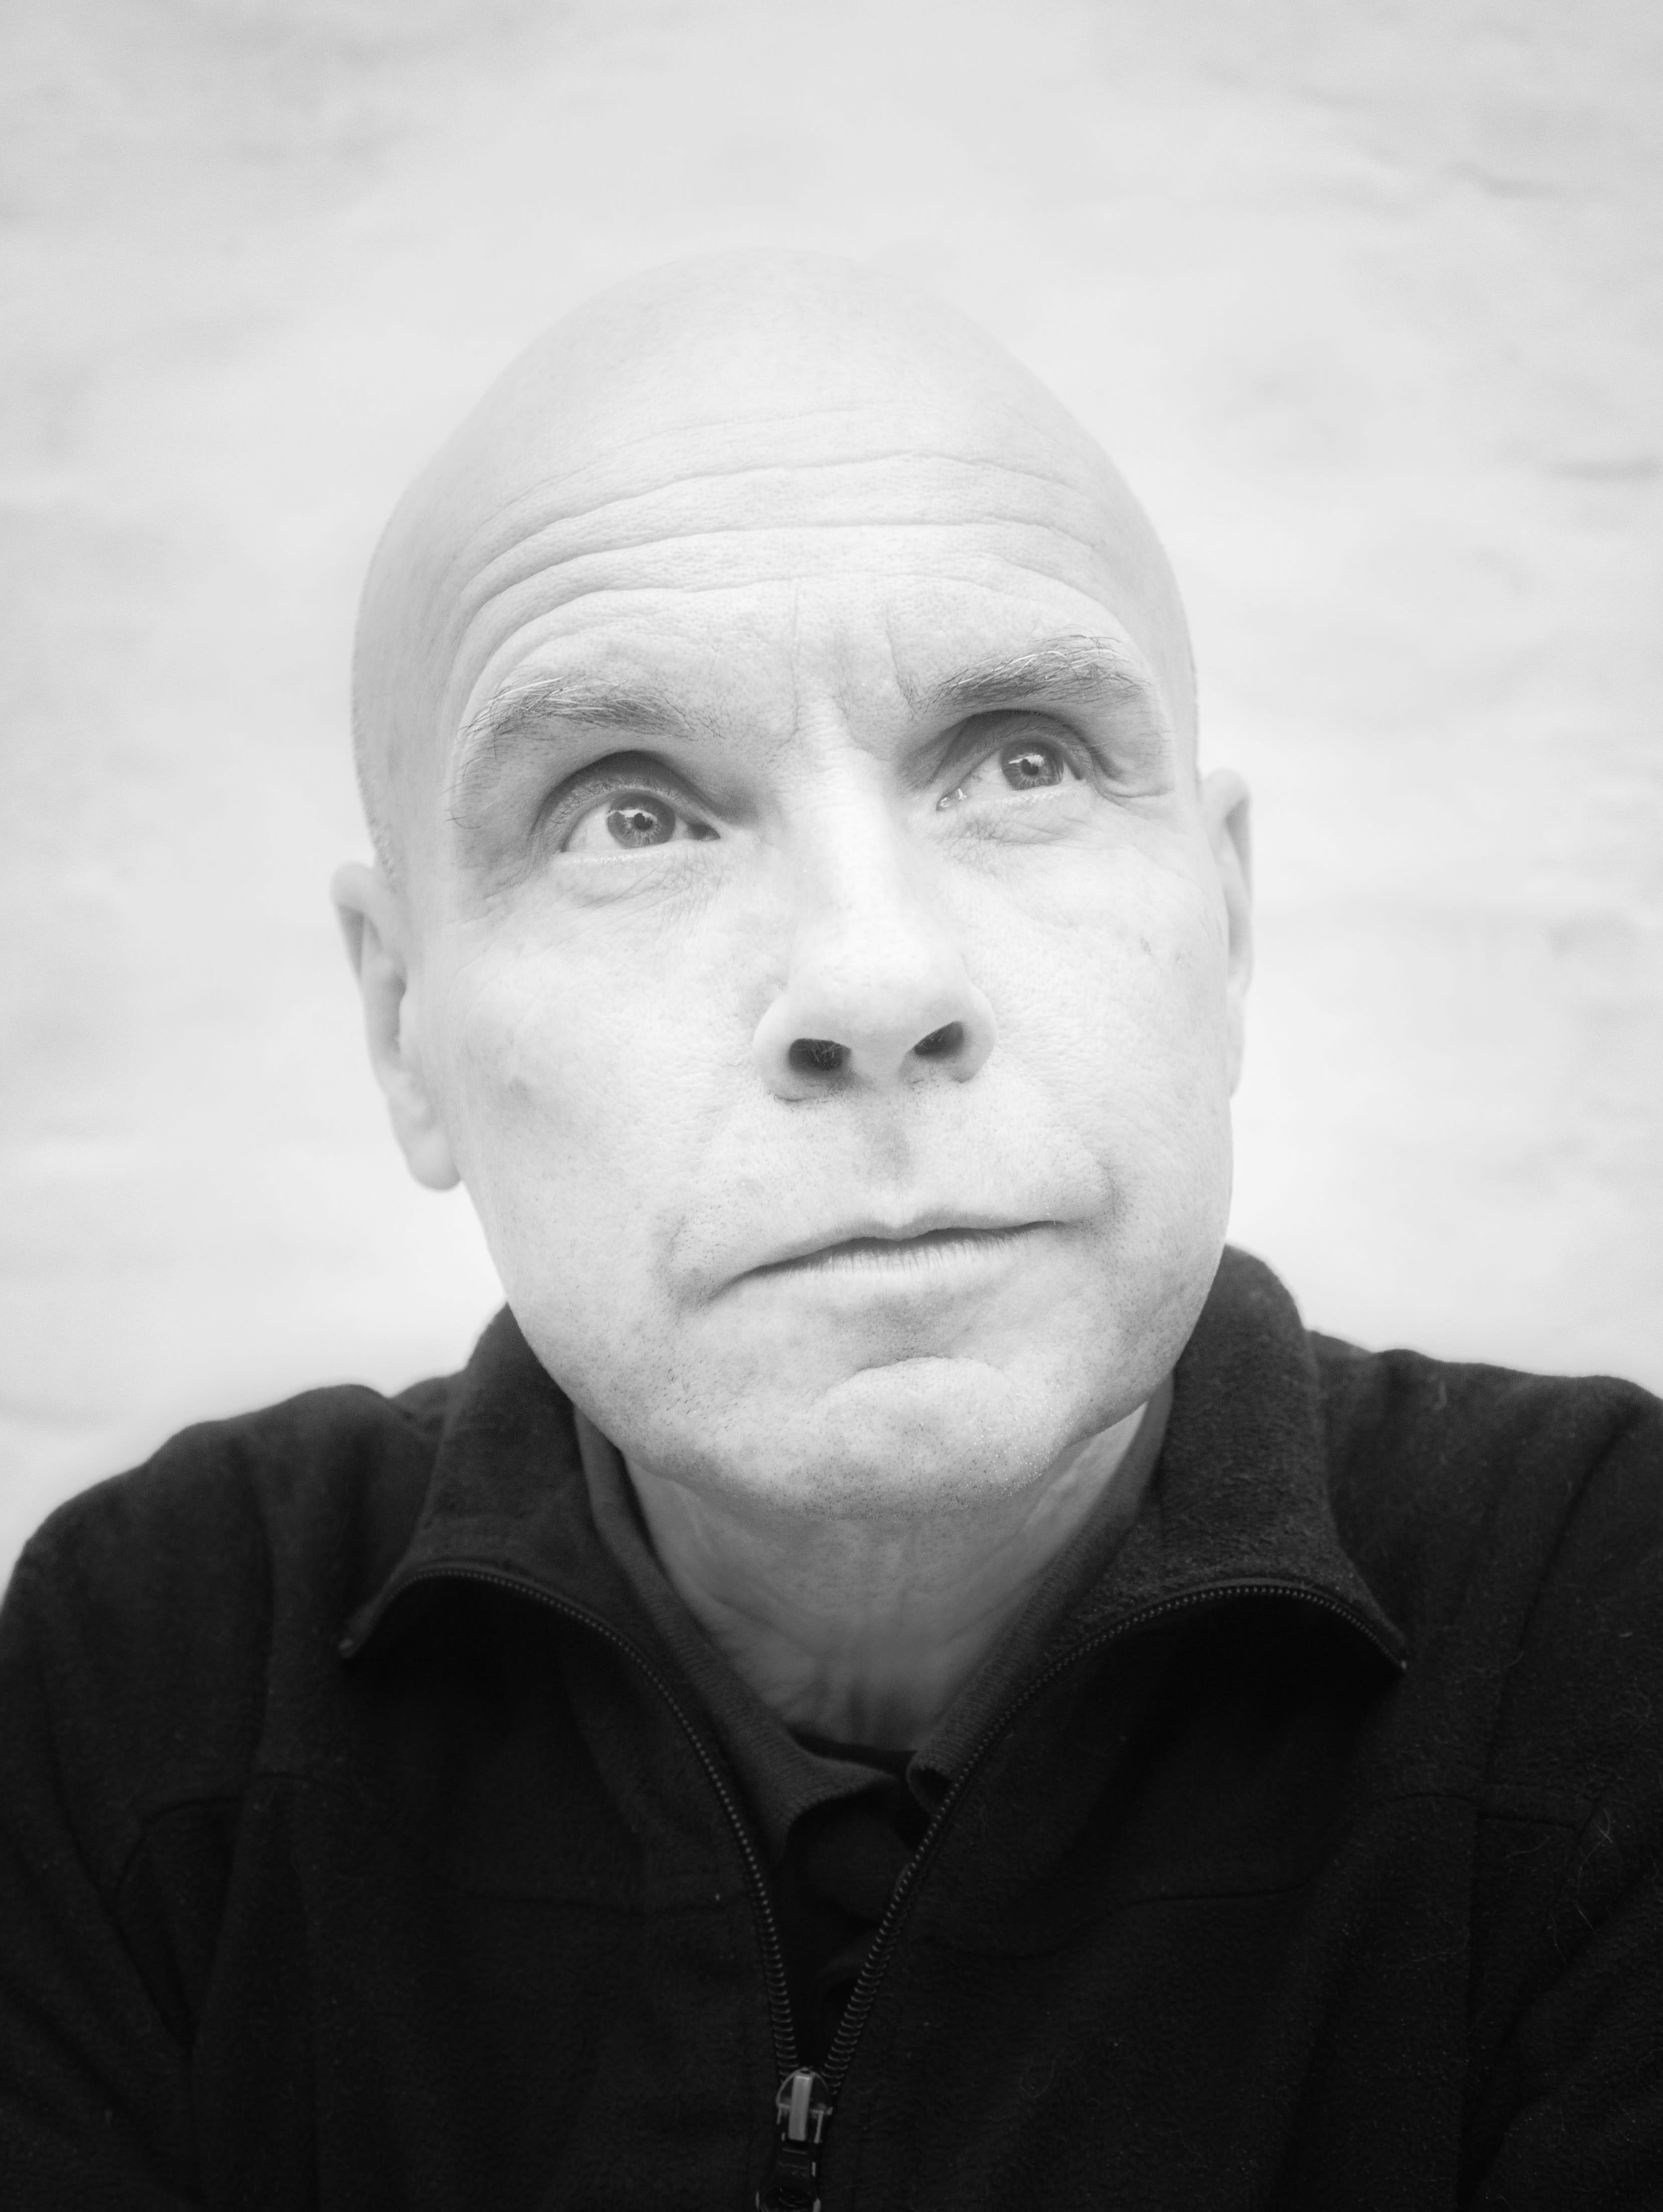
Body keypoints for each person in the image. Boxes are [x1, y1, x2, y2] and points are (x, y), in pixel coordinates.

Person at [1, 253, 1658, 2212]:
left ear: (1224, 930)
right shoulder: (153, 1680)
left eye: (1023, 758)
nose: (875, 981)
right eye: (630, 811)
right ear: (404, 1026)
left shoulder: (1608, 1629)